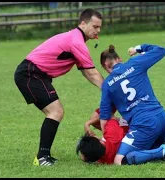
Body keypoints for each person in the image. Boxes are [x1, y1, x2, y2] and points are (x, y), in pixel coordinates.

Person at [14, 8, 105, 166]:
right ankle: (42, 157)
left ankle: (44, 156)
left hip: (35, 74)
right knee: (55, 111)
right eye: (95, 26)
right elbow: (92, 73)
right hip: (30, 74)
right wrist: (110, 90)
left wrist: (106, 89)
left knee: (56, 111)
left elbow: (85, 71)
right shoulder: (76, 41)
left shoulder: (75, 39)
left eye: (99, 27)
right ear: (83, 24)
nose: (98, 30)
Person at [98, 43, 165, 165]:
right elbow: (161, 50)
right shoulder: (135, 63)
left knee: (119, 160)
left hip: (144, 125)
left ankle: (163, 150)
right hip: (163, 119)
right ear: (119, 59)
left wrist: (108, 142)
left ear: (106, 66)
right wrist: (137, 49)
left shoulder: (107, 84)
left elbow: (104, 120)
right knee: (150, 153)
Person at [77, 108, 165, 165]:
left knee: (132, 158)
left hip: (143, 137)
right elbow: (103, 112)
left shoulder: (104, 160)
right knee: (132, 157)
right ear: (95, 139)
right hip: (147, 129)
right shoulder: (111, 131)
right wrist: (88, 123)